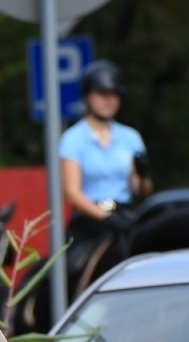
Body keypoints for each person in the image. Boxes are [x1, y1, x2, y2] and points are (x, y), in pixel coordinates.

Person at [60, 60, 150, 245]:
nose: (109, 100)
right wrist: (106, 217)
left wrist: (144, 175)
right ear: (87, 96)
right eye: (102, 94)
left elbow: (141, 191)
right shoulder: (73, 138)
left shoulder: (131, 137)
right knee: (71, 265)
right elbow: (72, 192)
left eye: (115, 95)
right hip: (89, 220)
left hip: (125, 216)